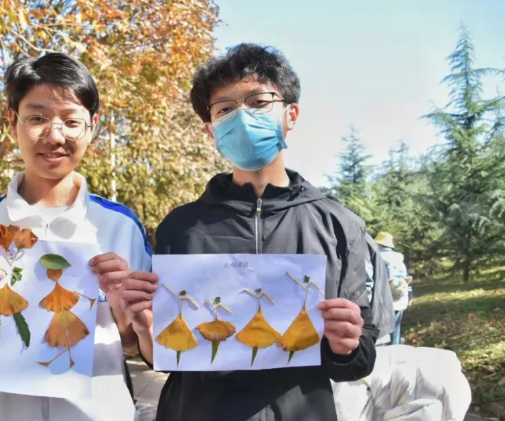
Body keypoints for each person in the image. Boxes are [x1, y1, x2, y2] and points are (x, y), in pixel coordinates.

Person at [119, 43, 378, 421]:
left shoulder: (339, 226)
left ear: (290, 114)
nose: (242, 117)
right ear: (211, 129)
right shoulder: (181, 227)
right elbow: (165, 355)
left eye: (258, 102)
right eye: (225, 109)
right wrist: (145, 328)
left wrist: (348, 345)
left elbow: (361, 356)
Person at [0, 53, 151, 421]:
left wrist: (123, 310)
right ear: (12, 123)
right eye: (37, 118)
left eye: (71, 121)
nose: (55, 136)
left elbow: (132, 345)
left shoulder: (121, 226)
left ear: (92, 126)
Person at [374, 231, 412, 345]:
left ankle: (382, 350)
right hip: (400, 297)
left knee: (381, 329)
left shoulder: (377, 257)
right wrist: (410, 296)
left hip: (383, 298)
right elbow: (407, 278)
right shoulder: (400, 260)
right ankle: (395, 348)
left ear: (379, 244)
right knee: (396, 327)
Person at [365, 233, 396, 345]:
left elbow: (366, 284)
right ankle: (395, 344)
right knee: (396, 326)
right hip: (392, 299)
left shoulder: (360, 240)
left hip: (374, 310)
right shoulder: (398, 257)